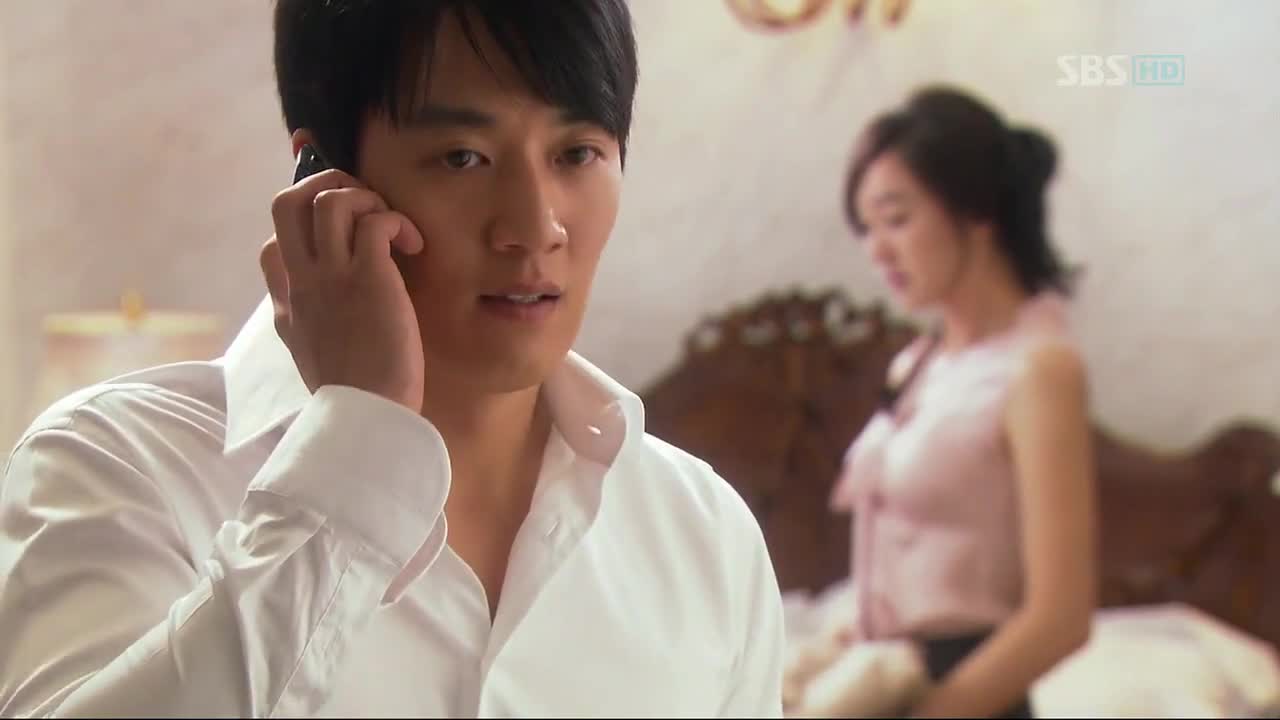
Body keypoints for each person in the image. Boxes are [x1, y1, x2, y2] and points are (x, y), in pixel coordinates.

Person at [0, 2, 786, 716]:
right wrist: (356, 444)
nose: (534, 227)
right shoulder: (119, 466)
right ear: (321, 180)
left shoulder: (700, 534)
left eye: (577, 153)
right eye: (463, 158)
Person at [788, 86, 1099, 719]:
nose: (878, 251)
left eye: (897, 220)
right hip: (888, 679)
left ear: (976, 211)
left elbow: (1062, 617)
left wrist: (935, 713)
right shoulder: (917, 365)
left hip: (971, 695)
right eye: (867, 229)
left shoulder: (1039, 369)